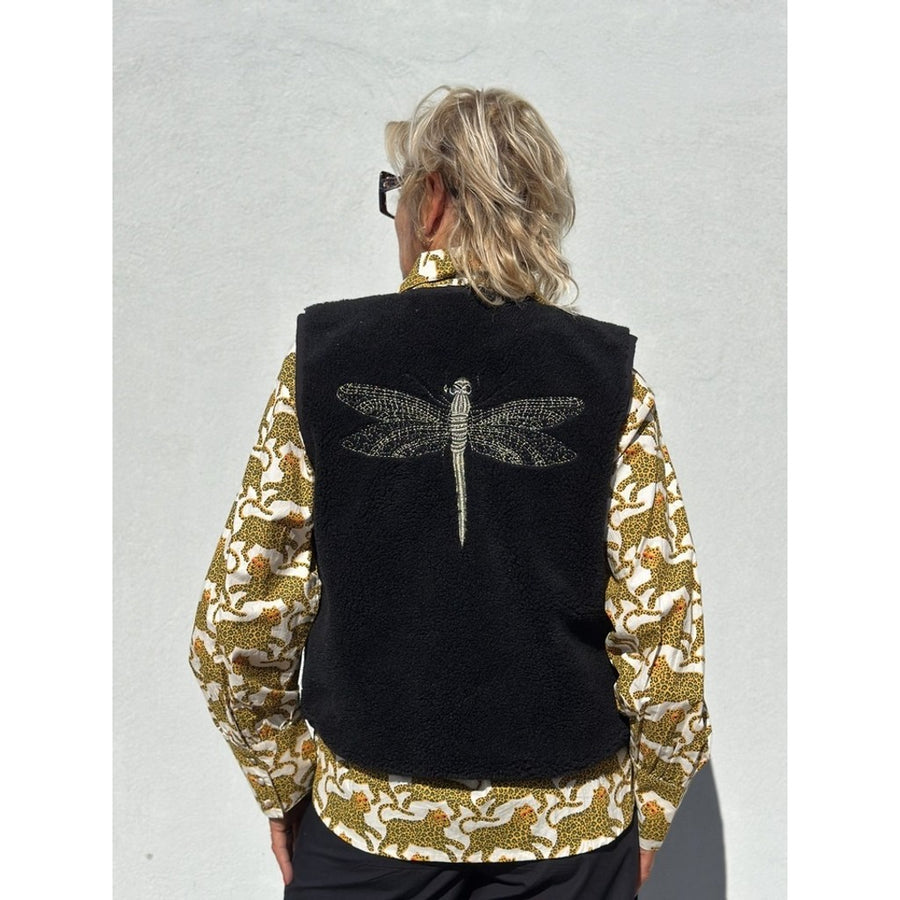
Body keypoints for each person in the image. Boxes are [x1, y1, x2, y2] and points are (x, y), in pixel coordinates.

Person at [190, 86, 710, 899]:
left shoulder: (319, 370)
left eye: (396, 193)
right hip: (568, 842)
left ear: (431, 199)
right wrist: (655, 804)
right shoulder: (611, 383)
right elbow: (665, 638)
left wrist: (283, 783)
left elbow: (235, 625)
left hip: (369, 833)